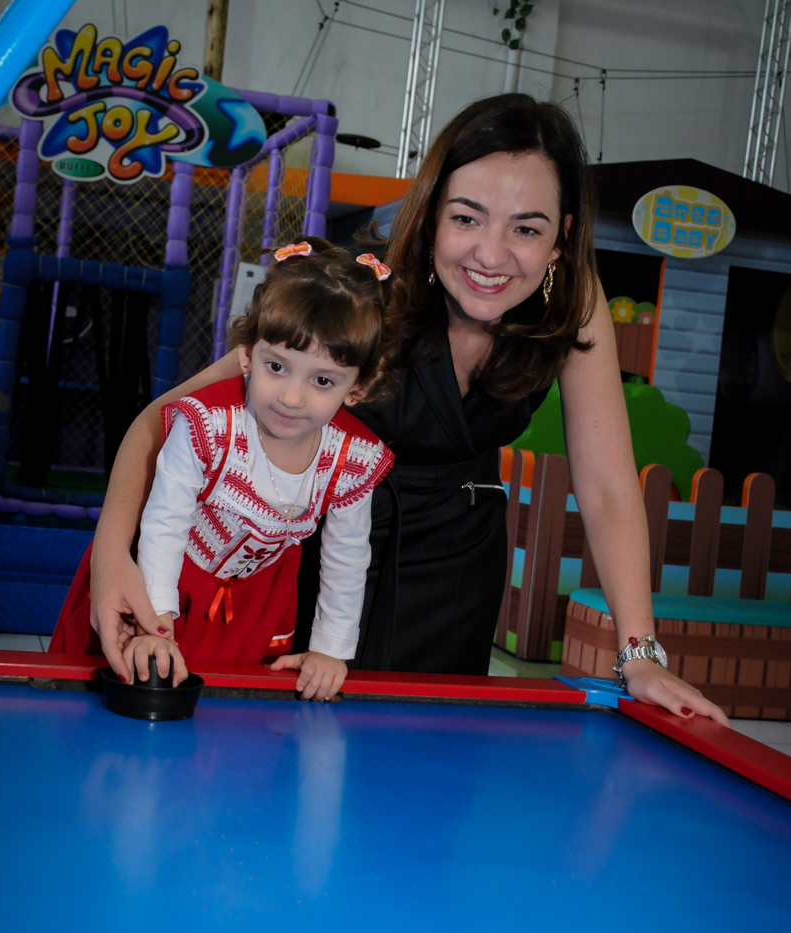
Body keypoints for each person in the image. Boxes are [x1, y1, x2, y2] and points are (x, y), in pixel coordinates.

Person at [84, 94, 727, 724]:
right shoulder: (362, 293)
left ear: (562, 236)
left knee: (426, 764)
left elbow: (610, 488)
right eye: (467, 219)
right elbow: (164, 420)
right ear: (432, 214)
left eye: (526, 229)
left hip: (457, 567)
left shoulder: (573, 304)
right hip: (322, 557)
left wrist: (640, 655)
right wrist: (113, 558)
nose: (491, 255)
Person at [50, 240, 396, 701]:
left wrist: (330, 649)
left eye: (322, 380)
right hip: (169, 574)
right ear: (247, 355)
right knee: (124, 691)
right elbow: (165, 522)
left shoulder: (352, 457)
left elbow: (348, 555)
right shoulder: (208, 424)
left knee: (226, 707)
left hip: (255, 601)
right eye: (277, 367)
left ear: (357, 388)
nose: (291, 397)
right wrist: (156, 625)